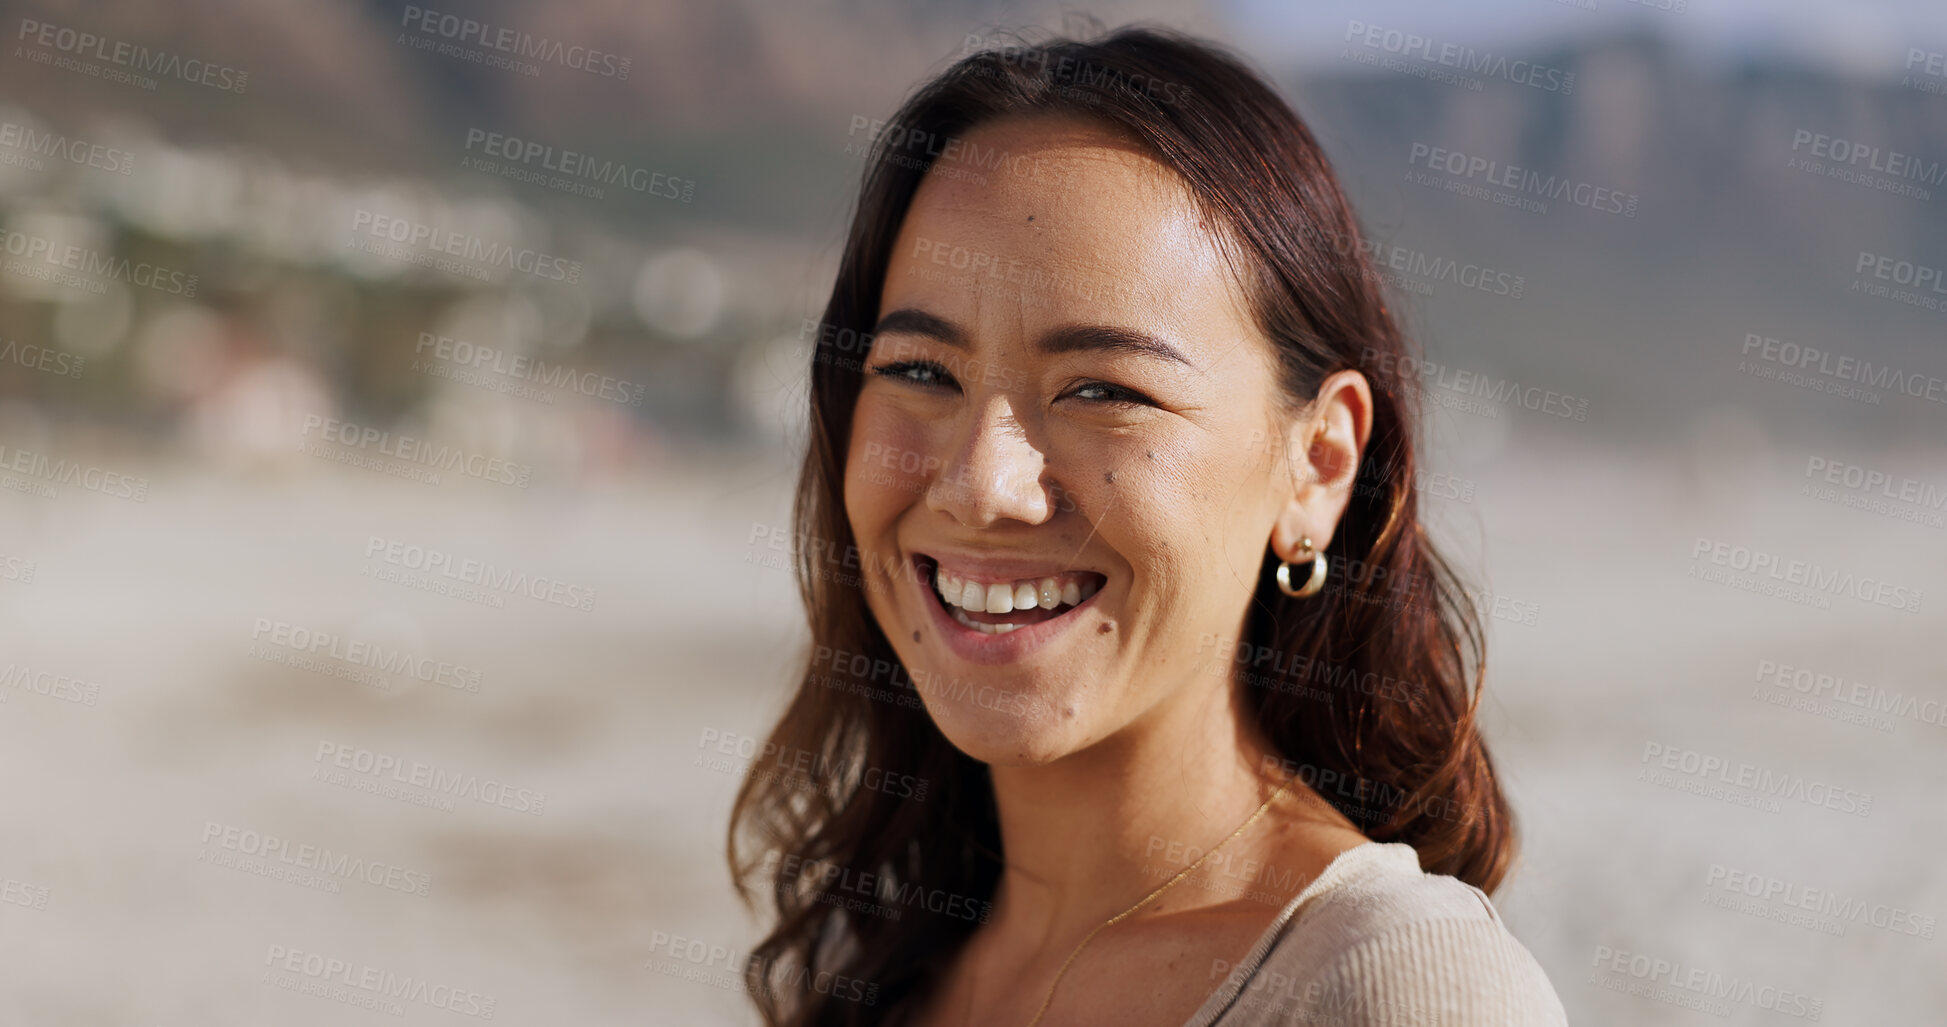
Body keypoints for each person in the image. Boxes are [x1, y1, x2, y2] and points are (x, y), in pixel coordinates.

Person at [729, 26, 1568, 1026]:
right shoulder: (873, 953)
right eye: (920, 371)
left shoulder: (1393, 986)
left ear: (1318, 466)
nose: (981, 484)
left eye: (1101, 389)